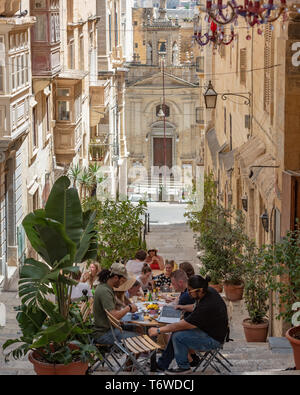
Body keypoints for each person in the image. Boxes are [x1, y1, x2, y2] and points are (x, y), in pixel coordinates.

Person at [148, 274, 229, 374]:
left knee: (178, 336)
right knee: (177, 333)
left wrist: (158, 330)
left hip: (213, 339)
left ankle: (184, 367)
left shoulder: (207, 306)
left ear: (199, 291)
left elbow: (183, 324)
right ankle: (162, 365)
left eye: (190, 290)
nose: (188, 293)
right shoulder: (208, 291)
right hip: (210, 331)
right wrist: (182, 307)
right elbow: (195, 306)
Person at [93, 262, 138, 345]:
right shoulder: (104, 291)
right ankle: (132, 356)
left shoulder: (106, 287)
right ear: (116, 277)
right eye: (122, 281)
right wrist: (129, 308)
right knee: (139, 339)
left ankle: (130, 357)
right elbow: (115, 317)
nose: (122, 284)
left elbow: (115, 299)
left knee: (138, 329)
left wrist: (125, 305)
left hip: (110, 328)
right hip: (104, 334)